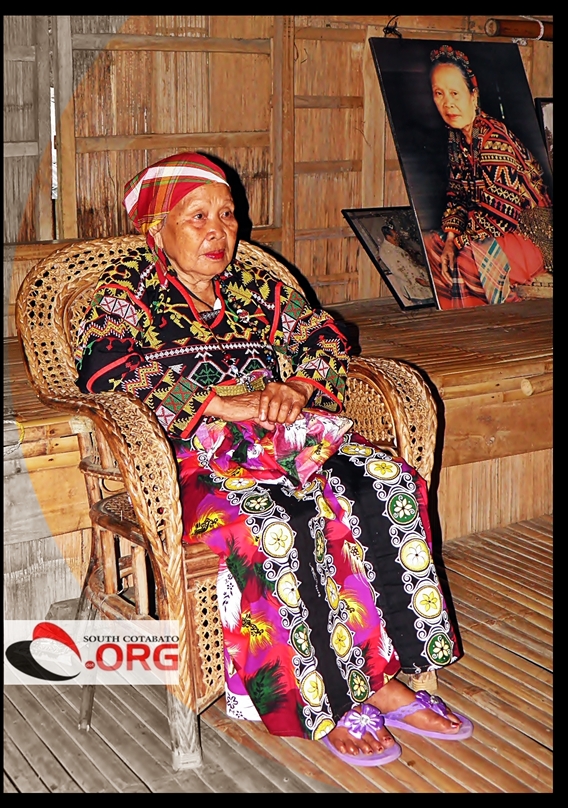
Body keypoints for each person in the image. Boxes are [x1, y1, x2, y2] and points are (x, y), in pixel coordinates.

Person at [74, 152, 473, 767]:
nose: (218, 231)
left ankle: (384, 675)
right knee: (280, 521)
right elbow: (104, 369)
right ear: (157, 228)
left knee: (385, 483)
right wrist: (220, 404)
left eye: (228, 214)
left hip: (287, 440)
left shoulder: (256, 288)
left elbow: (325, 336)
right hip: (191, 459)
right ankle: (324, 700)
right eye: (198, 216)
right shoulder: (127, 293)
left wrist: (298, 387)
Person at [423, 44, 552, 309]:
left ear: (473, 96)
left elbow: (501, 215)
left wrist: (459, 241)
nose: (447, 103)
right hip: (489, 228)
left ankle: (477, 328)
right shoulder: (459, 139)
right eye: (439, 93)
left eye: (455, 93)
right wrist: (450, 238)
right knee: (432, 245)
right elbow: (457, 195)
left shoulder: (494, 139)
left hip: (528, 237)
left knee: (466, 260)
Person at [377, 224, 434, 305]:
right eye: (395, 235)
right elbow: (398, 271)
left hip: (423, 285)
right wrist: (416, 281)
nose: (397, 236)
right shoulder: (386, 251)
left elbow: (413, 264)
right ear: (388, 237)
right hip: (415, 290)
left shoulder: (397, 247)